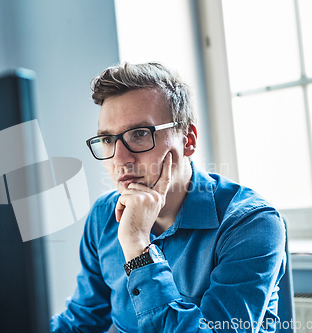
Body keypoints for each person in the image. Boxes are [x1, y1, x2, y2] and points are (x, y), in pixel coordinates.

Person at [50, 62, 286, 332]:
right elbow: (82, 321)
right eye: (107, 140)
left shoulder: (251, 223)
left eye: (139, 134)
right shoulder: (104, 215)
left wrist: (138, 248)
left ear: (188, 140)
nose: (119, 159)